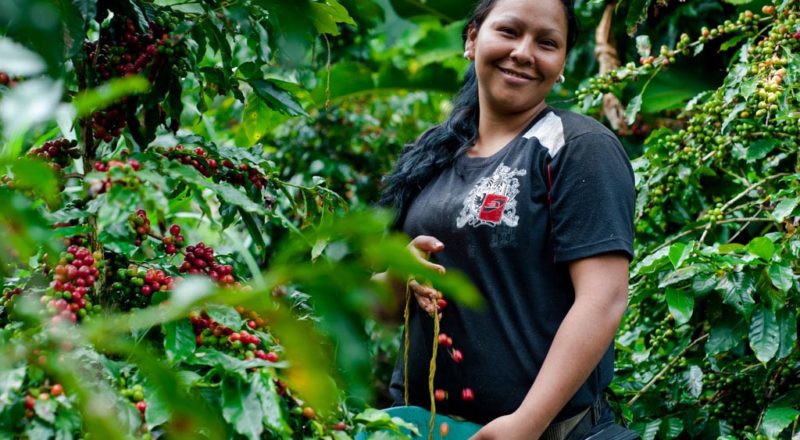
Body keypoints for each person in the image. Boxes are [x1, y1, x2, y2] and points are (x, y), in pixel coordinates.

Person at [378, 0, 637, 438]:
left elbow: (604, 298)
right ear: (472, 39)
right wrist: (397, 277)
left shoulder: (578, 147)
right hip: (420, 426)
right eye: (509, 31)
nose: (523, 52)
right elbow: (383, 313)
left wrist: (526, 423)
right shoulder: (430, 155)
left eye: (547, 42)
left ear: (562, 65)